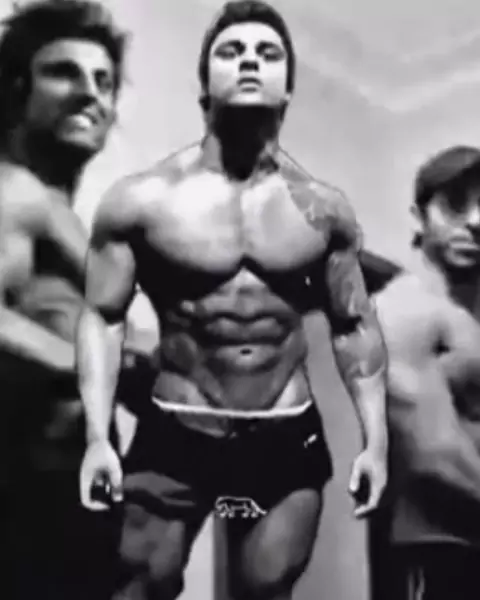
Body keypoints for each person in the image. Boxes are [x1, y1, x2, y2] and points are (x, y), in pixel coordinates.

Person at [77, 2, 389, 599]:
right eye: (231, 51)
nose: (249, 60)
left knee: (265, 586)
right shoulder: (141, 200)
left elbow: (354, 325)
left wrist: (376, 442)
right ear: (205, 84)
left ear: (288, 88)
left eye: (267, 53)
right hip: (177, 428)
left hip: (285, 438)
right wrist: (98, 436)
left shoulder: (325, 211)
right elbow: (103, 317)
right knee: (141, 579)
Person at [0, 1, 127, 598]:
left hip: (69, 506)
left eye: (104, 81)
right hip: (21, 501)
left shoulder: (67, 220)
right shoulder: (14, 191)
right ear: (17, 89)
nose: (89, 93)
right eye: (63, 72)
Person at [369, 146, 480, 600]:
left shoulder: (466, 316)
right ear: (419, 217)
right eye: (455, 205)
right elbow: (431, 453)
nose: (476, 221)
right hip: (438, 549)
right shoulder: (403, 308)